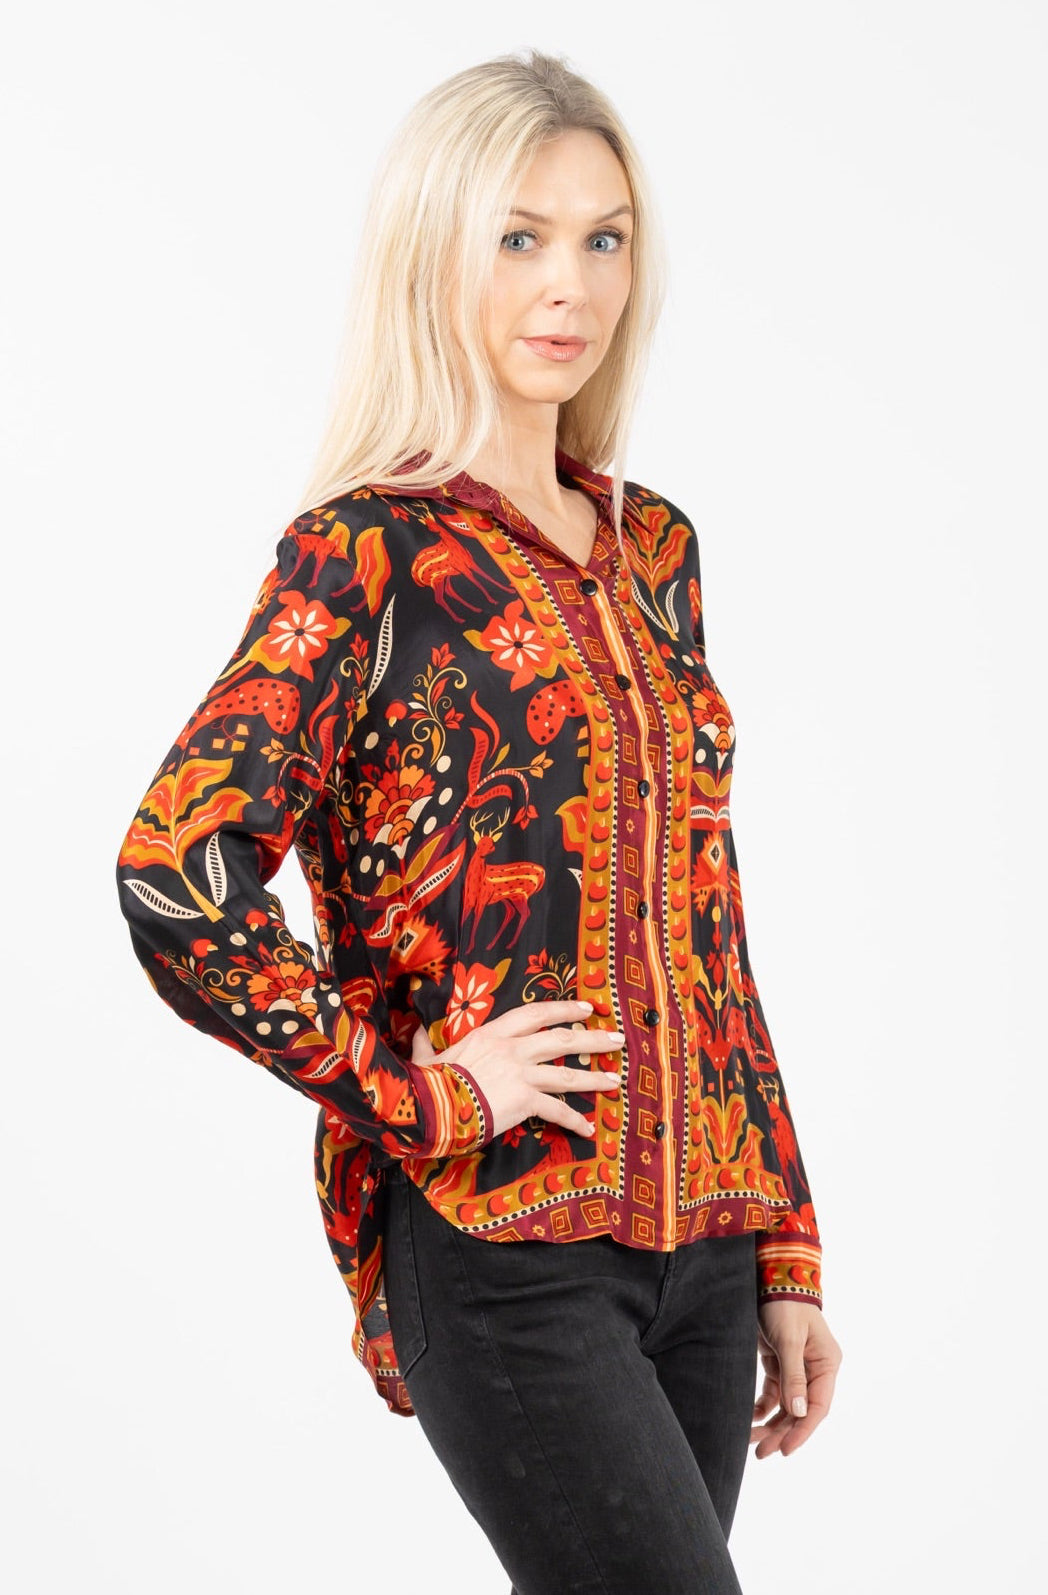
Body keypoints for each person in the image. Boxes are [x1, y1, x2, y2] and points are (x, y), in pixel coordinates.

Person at [116, 48, 842, 1595]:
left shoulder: (654, 551)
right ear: (434, 252)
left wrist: (785, 1239)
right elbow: (178, 877)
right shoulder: (363, 557)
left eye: (604, 236)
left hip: (707, 1255)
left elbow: (705, 923)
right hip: (507, 1249)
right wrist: (421, 1093)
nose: (569, 283)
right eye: (519, 236)